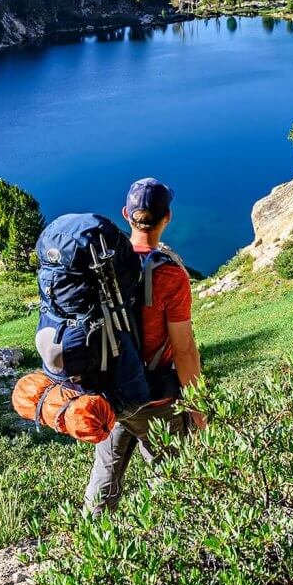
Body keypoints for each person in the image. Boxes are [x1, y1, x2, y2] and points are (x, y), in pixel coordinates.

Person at [84, 178, 206, 514]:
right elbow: (184, 349)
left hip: (111, 393)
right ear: (167, 217)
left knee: (105, 477)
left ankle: (91, 549)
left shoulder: (102, 268)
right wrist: (198, 406)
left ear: (126, 214)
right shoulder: (170, 276)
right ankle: (170, 553)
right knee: (173, 480)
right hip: (156, 397)